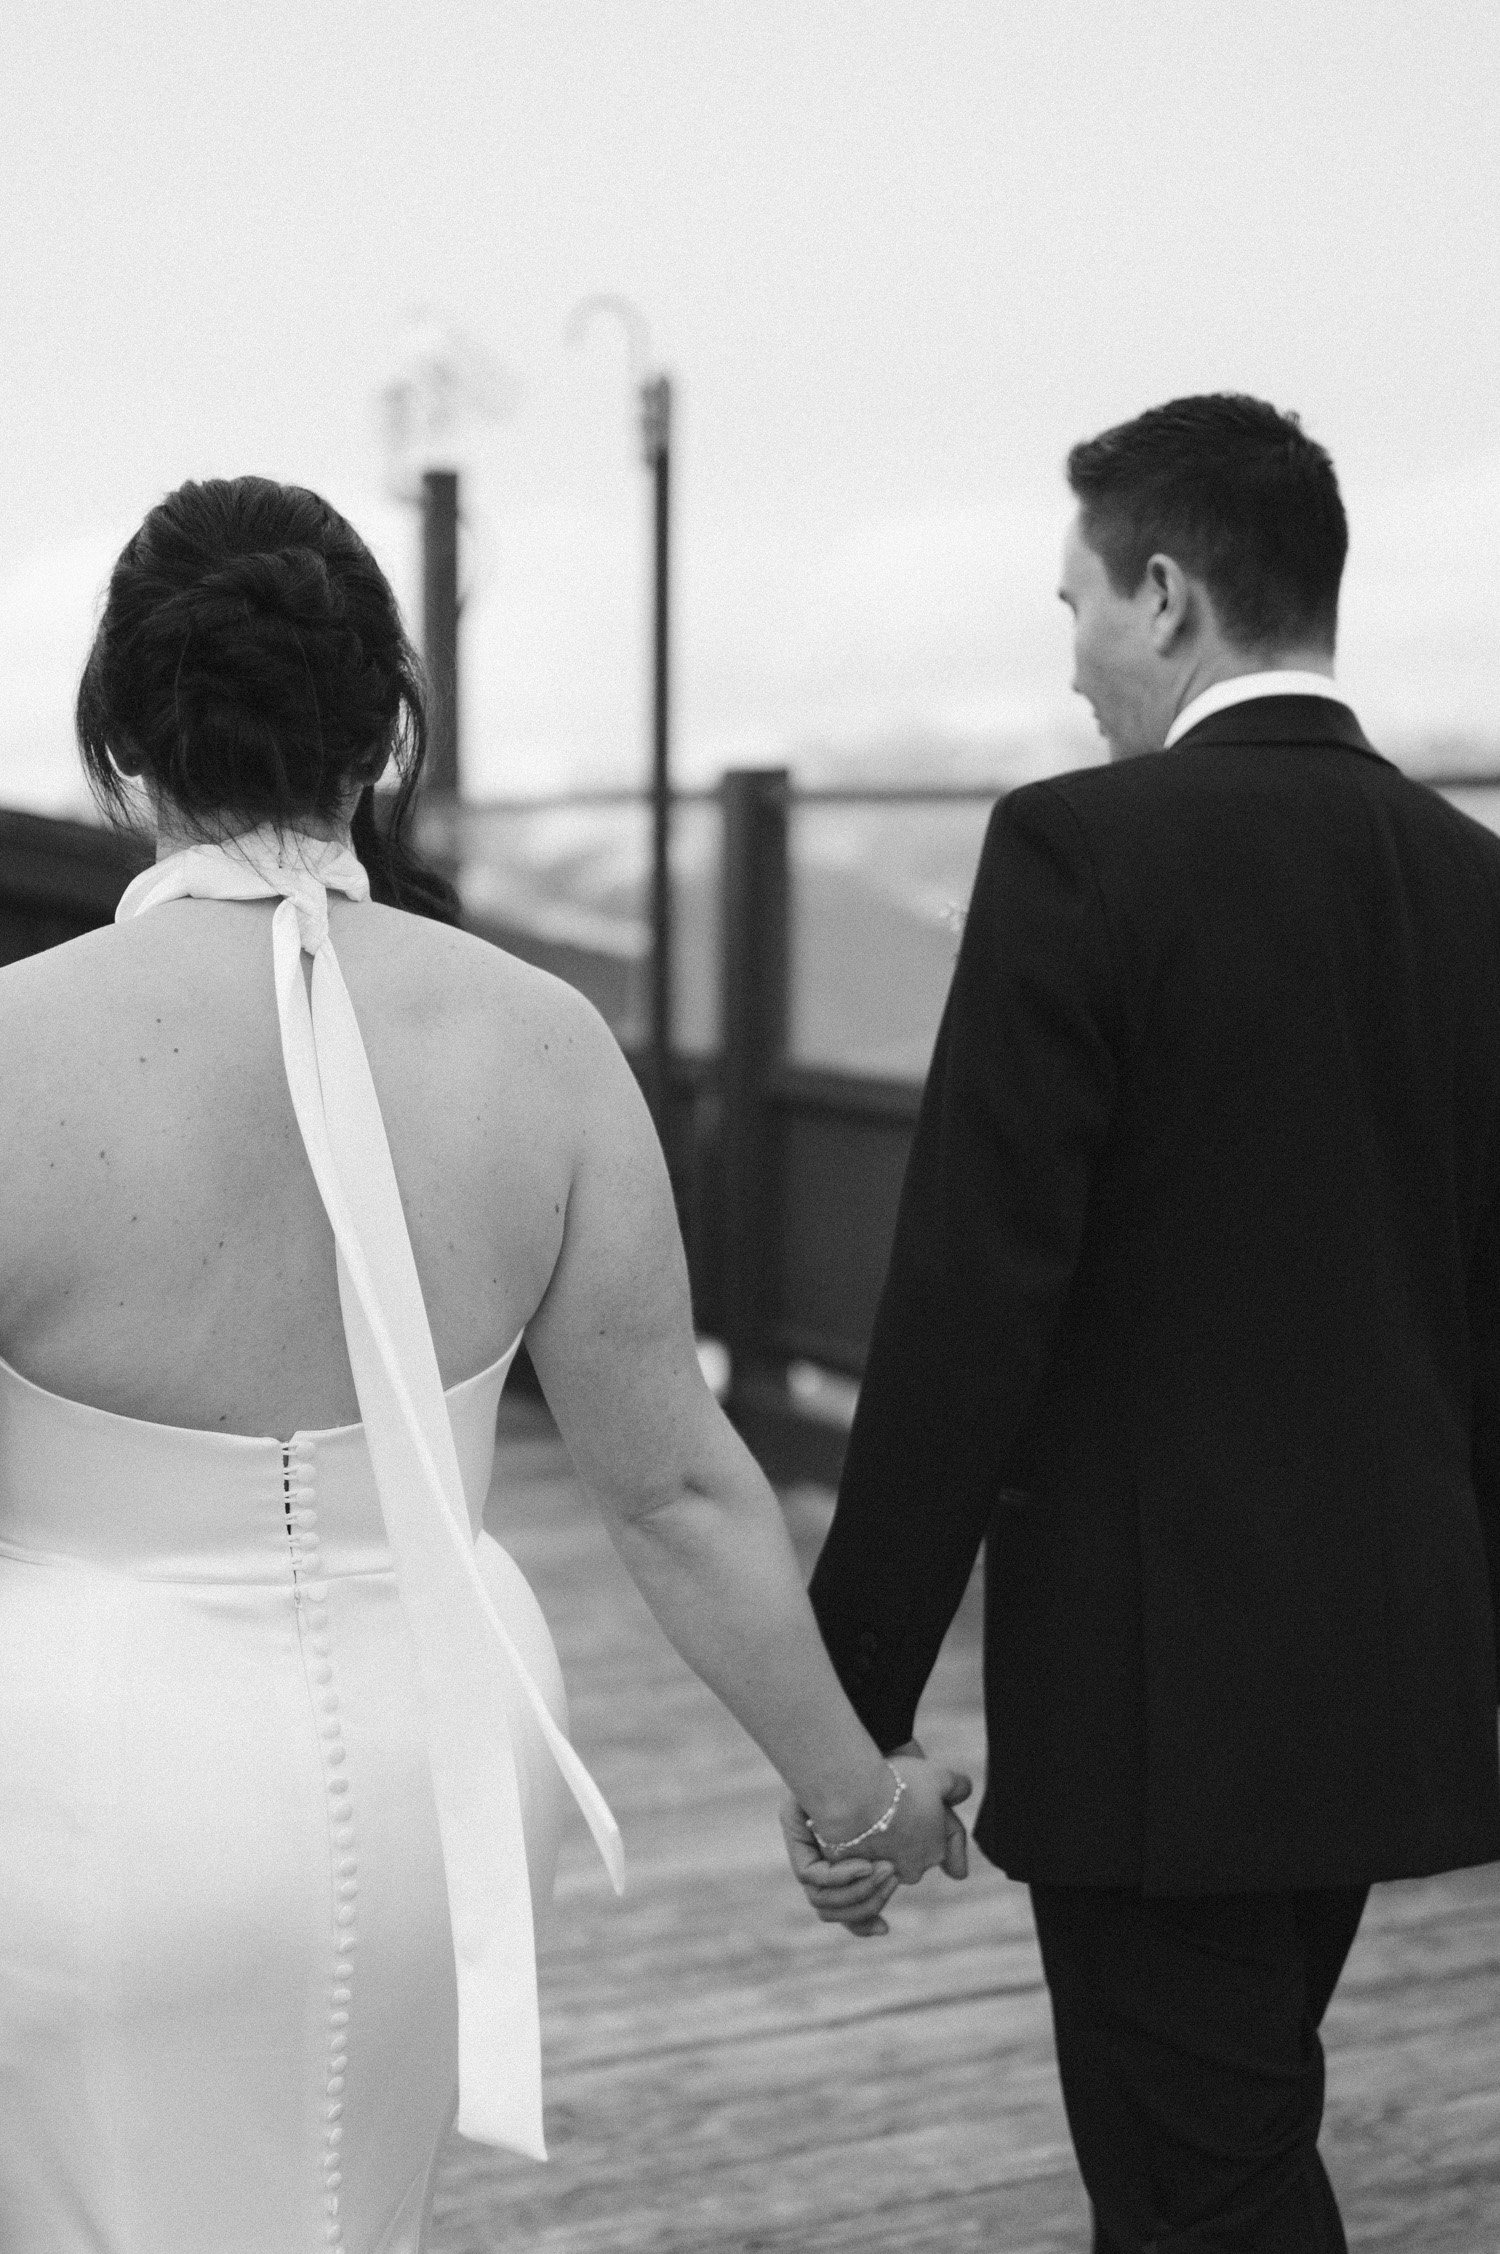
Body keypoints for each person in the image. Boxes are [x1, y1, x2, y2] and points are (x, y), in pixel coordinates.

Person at [0, 474, 968, 2254]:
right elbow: (677, 1488)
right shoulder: (542, 1042)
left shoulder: (12, 1057)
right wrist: (860, 1794)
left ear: (112, 739)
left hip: (76, 1783)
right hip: (441, 1758)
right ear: (386, 733)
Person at [795, 395, 1500, 2251]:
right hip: (1394, 1676)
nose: (1076, 664)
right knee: (1222, 2127)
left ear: (1168, 595)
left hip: (1159, 1710)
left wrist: (842, 1715)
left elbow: (966, 1305)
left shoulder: (1080, 854)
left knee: (1207, 2186)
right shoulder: (1471, 881)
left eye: (1078, 606)